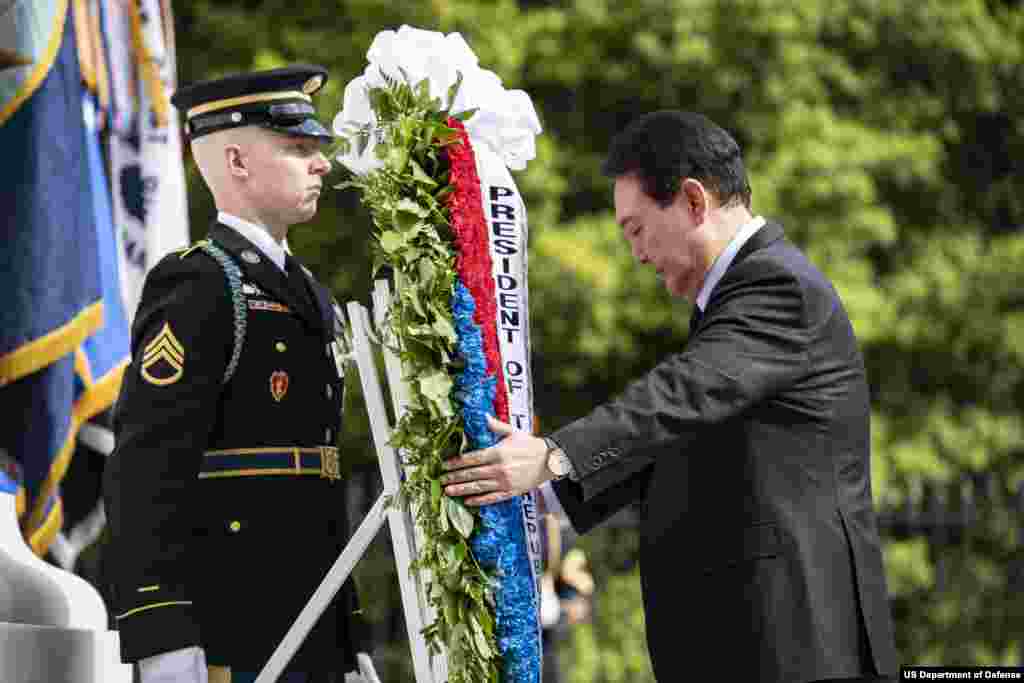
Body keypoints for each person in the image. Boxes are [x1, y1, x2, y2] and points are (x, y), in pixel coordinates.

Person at [441, 111, 898, 682]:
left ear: (692, 201)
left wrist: (556, 454)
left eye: (635, 228)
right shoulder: (739, 299)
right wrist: (546, 491)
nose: (635, 252)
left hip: (797, 645)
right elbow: (676, 436)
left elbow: (680, 397)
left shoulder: (779, 288)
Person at [102, 65, 376, 683]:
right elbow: (146, 468)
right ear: (237, 161)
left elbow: (317, 487)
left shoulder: (311, 295)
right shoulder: (201, 282)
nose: (322, 165)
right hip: (229, 627)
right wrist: (162, 633)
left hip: (310, 624)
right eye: (300, 149)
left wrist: (347, 633)